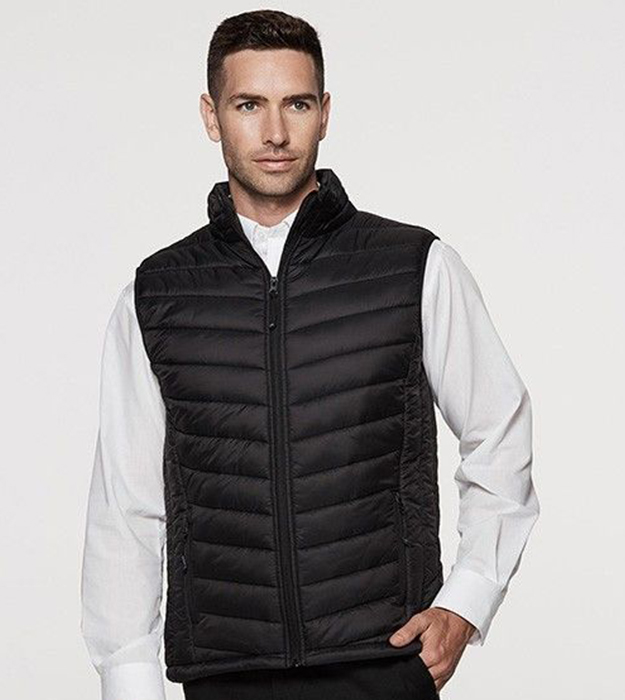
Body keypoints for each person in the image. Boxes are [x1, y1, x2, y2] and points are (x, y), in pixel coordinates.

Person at [80, 9, 539, 700]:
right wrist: (129, 681)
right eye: (248, 105)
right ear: (211, 116)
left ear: (324, 114)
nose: (274, 132)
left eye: (295, 104)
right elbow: (126, 507)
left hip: (382, 663)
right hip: (226, 675)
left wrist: (466, 601)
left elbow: (499, 429)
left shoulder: (412, 266)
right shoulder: (158, 294)